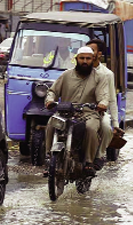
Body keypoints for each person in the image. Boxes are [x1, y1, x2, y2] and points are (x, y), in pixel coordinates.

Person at [44, 46, 109, 176]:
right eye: (82, 58)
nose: (85, 61)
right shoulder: (66, 75)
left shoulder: (100, 77)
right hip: (65, 112)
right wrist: (50, 100)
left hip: (89, 113)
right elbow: (53, 91)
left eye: (88, 59)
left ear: (93, 59)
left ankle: (89, 162)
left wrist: (102, 103)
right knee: (51, 123)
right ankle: (49, 158)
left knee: (91, 128)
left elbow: (103, 95)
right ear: (76, 59)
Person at [88, 38, 119, 170]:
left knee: (106, 127)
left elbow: (112, 99)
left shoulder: (107, 74)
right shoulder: (78, 70)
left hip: (98, 111)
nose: (88, 54)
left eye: (92, 50)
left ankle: (99, 156)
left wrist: (116, 124)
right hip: (78, 109)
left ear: (99, 54)